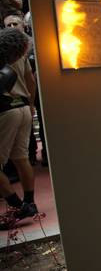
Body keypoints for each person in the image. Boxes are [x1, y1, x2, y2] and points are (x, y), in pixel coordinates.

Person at [0, 28, 38, 230]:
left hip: (4, 108)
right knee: (21, 157)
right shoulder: (18, 52)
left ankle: (19, 206)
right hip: (22, 106)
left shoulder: (5, 51)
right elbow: (31, 80)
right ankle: (30, 202)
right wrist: (30, 104)